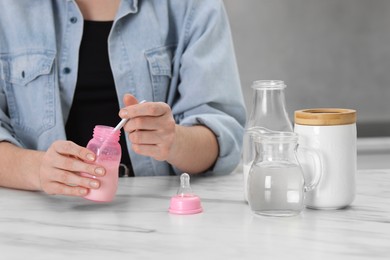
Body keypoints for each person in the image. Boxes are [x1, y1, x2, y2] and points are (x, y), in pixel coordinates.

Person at [0, 0, 246, 197]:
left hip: (155, 213)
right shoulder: (8, 9)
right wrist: (38, 169)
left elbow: (223, 136)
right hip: (38, 218)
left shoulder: (193, 6)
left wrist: (173, 140)